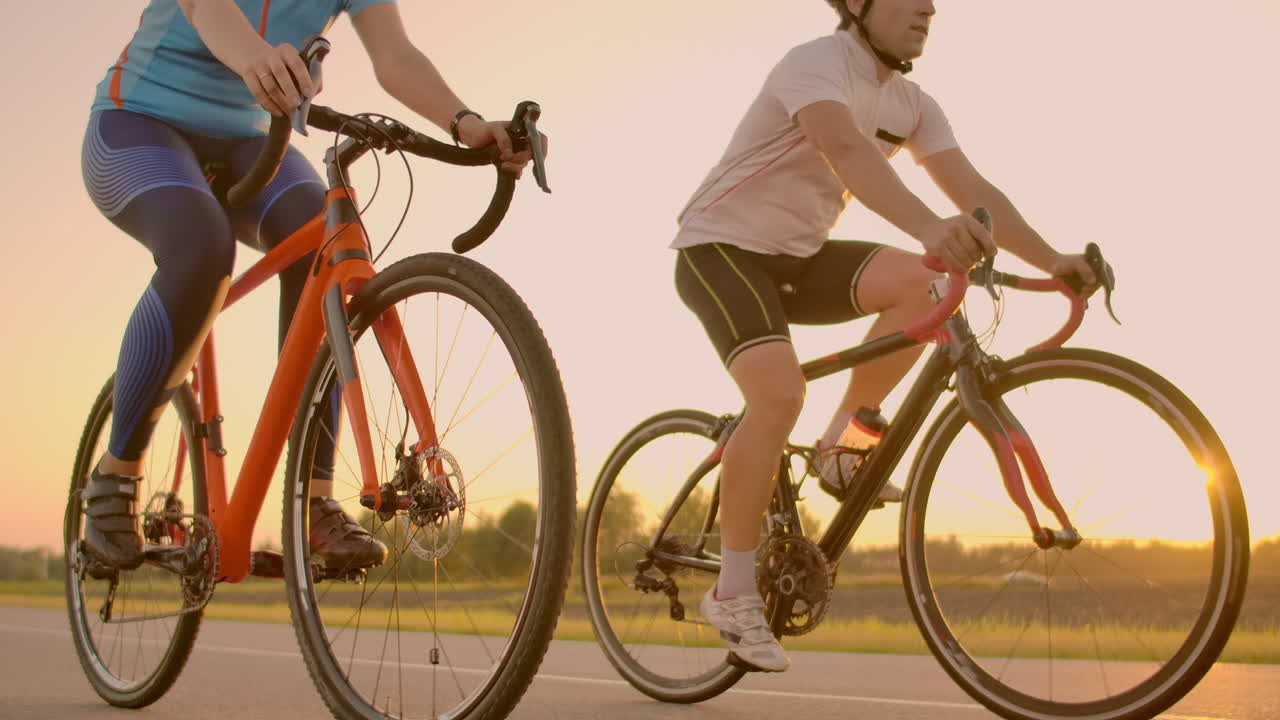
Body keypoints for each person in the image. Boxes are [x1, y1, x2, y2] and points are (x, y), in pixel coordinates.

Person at [672, 0, 1100, 672]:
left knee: (928, 287)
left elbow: (971, 185)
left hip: (800, 258)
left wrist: (1051, 261)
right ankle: (731, 590)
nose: (929, 6)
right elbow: (845, 151)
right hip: (721, 250)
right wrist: (931, 228)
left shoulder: (913, 103)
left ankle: (843, 442)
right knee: (779, 398)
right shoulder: (813, 64)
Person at [80, 0, 537, 572]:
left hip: (252, 142)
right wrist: (257, 61)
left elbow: (395, 58)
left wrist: (466, 124)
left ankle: (313, 500)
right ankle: (113, 479)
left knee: (331, 239)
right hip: (138, 123)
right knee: (201, 249)